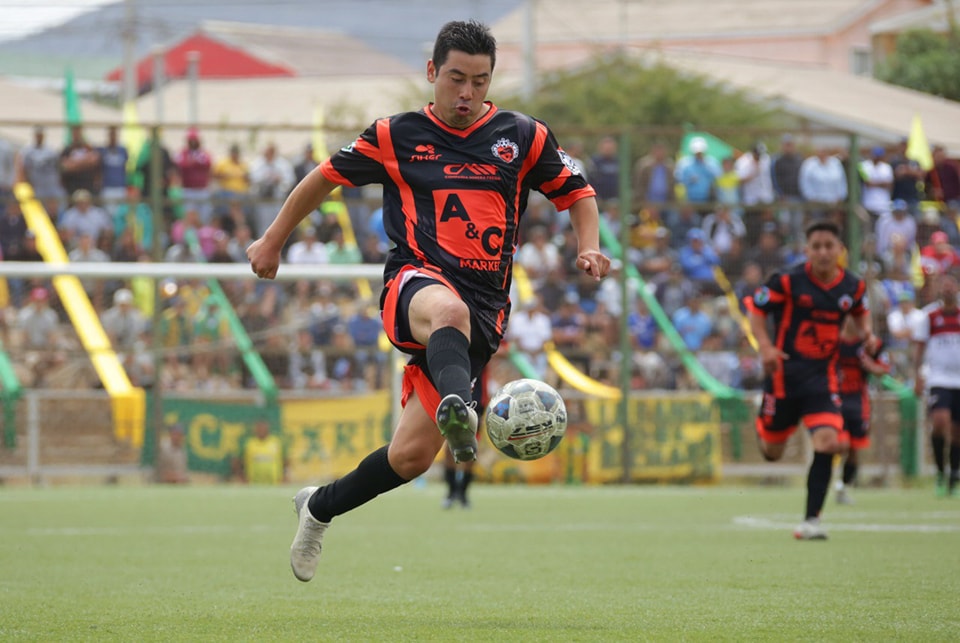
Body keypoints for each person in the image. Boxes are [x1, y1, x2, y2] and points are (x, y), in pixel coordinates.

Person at [246, 20, 609, 582]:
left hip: (485, 312)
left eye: (480, 82)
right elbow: (323, 178)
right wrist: (274, 238)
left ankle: (317, 508)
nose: (467, 94)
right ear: (432, 72)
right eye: (456, 79)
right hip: (415, 284)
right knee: (448, 310)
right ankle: (460, 405)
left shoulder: (524, 135)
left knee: (411, 458)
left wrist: (590, 247)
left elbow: (577, 193)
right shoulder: (396, 134)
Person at [746, 220, 875, 540]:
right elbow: (756, 311)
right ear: (807, 251)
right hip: (783, 377)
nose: (822, 252)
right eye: (816, 246)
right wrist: (765, 347)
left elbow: (860, 311)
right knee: (773, 452)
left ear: (840, 251)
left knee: (830, 442)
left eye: (828, 246)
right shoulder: (787, 281)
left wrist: (867, 335)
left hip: (823, 378)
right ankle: (763, 418)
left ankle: (811, 521)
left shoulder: (853, 287)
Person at [913, 271, 960, 497]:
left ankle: (955, 475)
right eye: (945, 285)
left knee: (957, 432)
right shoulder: (929, 316)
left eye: (952, 284)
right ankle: (941, 472)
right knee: (940, 422)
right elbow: (919, 348)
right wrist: (917, 376)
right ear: (939, 290)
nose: (948, 288)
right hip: (939, 378)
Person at [835, 315, 889, 505]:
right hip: (835, 399)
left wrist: (870, 365)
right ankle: (829, 479)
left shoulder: (869, 344)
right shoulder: (834, 341)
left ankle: (843, 487)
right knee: (839, 444)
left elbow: (883, 369)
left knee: (854, 449)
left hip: (858, 400)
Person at [233, 418, 288, 484]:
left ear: (268, 429)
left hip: (275, 483)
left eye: (263, 428)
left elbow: (286, 460)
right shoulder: (248, 443)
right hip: (252, 483)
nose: (261, 430)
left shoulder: (277, 442)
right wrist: (241, 477)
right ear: (255, 429)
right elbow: (237, 460)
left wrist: (284, 476)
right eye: (259, 428)